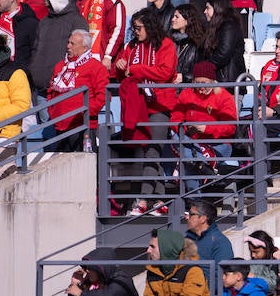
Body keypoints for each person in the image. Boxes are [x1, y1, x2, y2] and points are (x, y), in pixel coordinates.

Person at [116, 12, 177, 214]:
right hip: (138, 104)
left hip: (159, 105)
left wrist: (137, 69)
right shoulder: (131, 46)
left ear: (150, 27)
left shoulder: (165, 44)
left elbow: (165, 73)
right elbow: (123, 73)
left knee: (152, 150)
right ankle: (159, 202)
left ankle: (142, 200)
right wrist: (120, 67)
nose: (135, 31)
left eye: (139, 27)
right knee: (148, 150)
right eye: (133, 27)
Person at [171, 61, 237, 193]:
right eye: (197, 83)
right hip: (191, 141)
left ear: (213, 81)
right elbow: (175, 118)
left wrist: (206, 128)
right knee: (177, 139)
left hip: (217, 144)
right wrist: (186, 128)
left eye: (204, 83)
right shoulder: (187, 94)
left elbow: (230, 127)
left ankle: (194, 201)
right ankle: (202, 165)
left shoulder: (224, 96)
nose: (200, 87)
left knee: (188, 163)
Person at [45, 29, 109, 151]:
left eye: (72, 44)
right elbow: (51, 92)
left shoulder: (96, 67)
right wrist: (52, 112)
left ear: (84, 48)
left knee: (85, 165)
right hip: (60, 126)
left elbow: (104, 95)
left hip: (83, 126)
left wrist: (84, 112)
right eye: (68, 42)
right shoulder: (60, 66)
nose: (68, 46)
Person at [27, 0, 88, 97]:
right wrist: (33, 70)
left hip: (60, 90)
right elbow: (35, 50)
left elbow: (79, 56)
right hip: (38, 87)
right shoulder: (44, 21)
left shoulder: (77, 21)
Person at [76, 0, 127, 66]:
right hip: (81, 59)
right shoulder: (80, 0)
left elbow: (117, 32)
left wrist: (108, 56)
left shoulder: (112, 2)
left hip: (102, 60)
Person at [201, 0, 246, 83]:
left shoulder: (229, 26)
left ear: (218, 8)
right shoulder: (215, 28)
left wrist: (204, 67)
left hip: (229, 82)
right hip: (219, 81)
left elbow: (223, 53)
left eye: (208, 8)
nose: (205, 11)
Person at [166, 3, 206, 84]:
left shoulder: (198, 43)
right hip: (170, 89)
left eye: (177, 17)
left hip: (189, 90)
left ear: (187, 20)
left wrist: (185, 77)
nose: (173, 19)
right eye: (173, 16)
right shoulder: (169, 41)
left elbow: (203, 71)